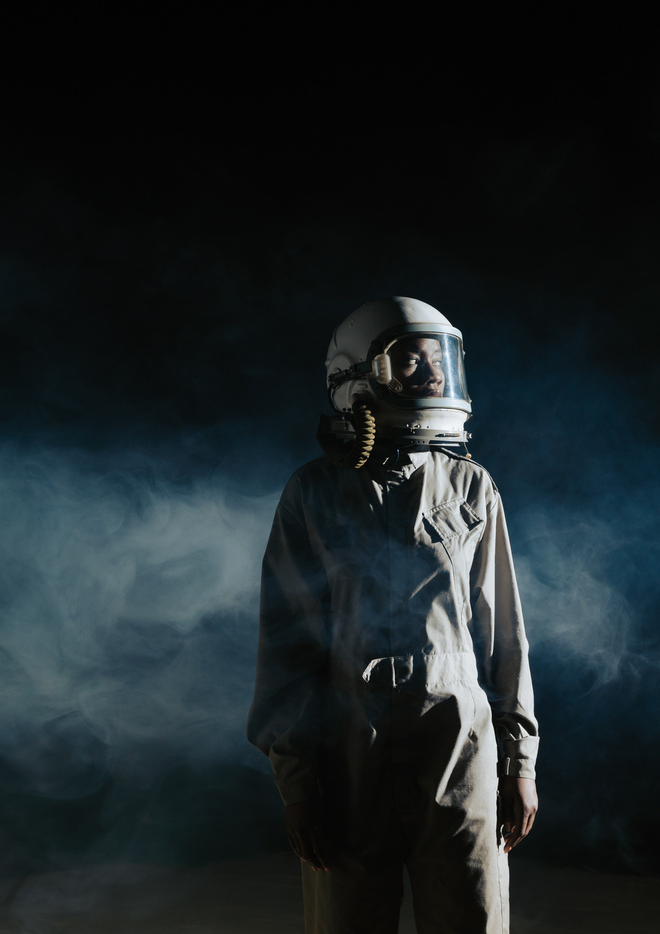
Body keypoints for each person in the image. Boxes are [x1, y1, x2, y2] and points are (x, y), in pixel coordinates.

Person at [248, 296, 540, 934]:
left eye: (439, 360)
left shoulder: (471, 487)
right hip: (347, 757)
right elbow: (288, 646)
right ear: (356, 377)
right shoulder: (313, 493)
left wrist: (518, 764)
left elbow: (503, 634)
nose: (434, 376)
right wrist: (297, 784)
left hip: (460, 752)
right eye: (411, 360)